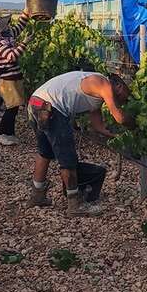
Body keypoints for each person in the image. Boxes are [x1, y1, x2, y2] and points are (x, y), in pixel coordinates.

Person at [26, 70, 131, 215]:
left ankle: (37, 195)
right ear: (119, 86)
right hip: (51, 108)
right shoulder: (103, 84)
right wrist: (135, 125)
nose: (126, 101)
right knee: (68, 159)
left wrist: (117, 136)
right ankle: (74, 205)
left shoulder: (97, 93)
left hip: (36, 103)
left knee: (45, 152)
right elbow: (119, 117)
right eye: (127, 95)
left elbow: (98, 126)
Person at [0, 13, 32, 146]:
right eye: (5, 24)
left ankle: (10, 134)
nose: (8, 26)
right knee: (12, 107)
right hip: (7, 80)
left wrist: (27, 12)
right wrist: (24, 43)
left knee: (14, 106)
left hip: (14, 77)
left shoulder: (8, 35)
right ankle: (2, 134)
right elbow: (11, 56)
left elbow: (20, 26)